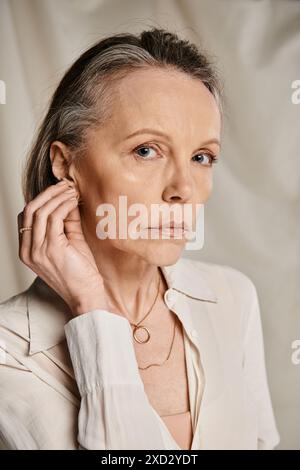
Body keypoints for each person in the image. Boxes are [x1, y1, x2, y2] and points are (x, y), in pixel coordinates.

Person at [0, 28, 280, 450]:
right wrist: (92, 306)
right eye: (147, 150)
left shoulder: (233, 298)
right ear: (65, 163)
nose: (183, 188)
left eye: (202, 157)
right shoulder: (9, 349)